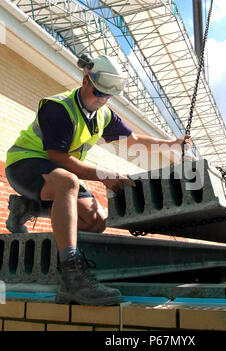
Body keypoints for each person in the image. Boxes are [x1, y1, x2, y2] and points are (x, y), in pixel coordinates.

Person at [5, 54, 191, 306]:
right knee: (68, 182)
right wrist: (102, 175)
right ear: (85, 80)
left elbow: (132, 140)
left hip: (57, 173)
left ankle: (27, 208)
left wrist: (170, 144)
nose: (101, 99)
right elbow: (59, 158)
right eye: (98, 92)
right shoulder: (58, 108)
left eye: (107, 96)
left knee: (96, 222)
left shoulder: (103, 115)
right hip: (24, 164)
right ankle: (72, 276)